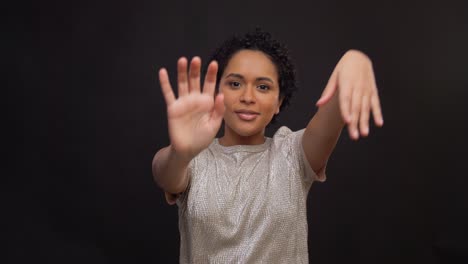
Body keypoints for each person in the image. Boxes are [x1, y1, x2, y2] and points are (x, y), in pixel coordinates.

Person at [152, 29, 384, 263]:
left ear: (278, 102)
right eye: (235, 83)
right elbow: (165, 173)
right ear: (216, 92)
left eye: (263, 87)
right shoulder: (191, 159)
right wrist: (180, 153)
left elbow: (334, 111)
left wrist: (355, 59)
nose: (248, 97)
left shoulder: (292, 153)